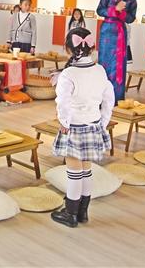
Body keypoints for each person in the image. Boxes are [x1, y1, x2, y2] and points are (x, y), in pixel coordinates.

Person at [49, 28, 114, 228]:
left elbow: (63, 102)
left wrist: (64, 122)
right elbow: (109, 98)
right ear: (92, 48)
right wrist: (103, 122)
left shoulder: (68, 74)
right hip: (94, 124)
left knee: (74, 172)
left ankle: (70, 213)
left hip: (74, 127)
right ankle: (83, 212)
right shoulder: (100, 69)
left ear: (67, 49)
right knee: (86, 170)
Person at [96, 0, 138, 102]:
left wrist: (121, 13)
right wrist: (115, 9)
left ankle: (116, 98)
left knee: (118, 64)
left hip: (120, 32)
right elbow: (99, 10)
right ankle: (101, 97)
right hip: (106, 31)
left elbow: (131, 18)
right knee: (104, 63)